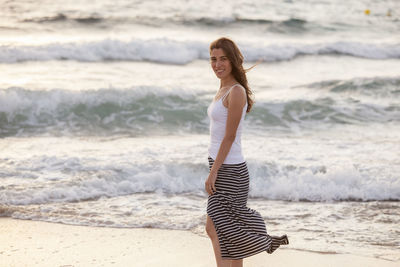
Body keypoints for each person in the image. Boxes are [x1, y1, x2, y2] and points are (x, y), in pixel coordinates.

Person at [205, 37, 289, 267]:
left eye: (222, 59)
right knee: (227, 232)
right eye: (213, 59)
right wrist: (213, 168)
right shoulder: (223, 88)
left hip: (230, 171)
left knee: (217, 229)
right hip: (221, 166)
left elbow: (229, 137)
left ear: (233, 60)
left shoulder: (236, 91)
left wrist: (214, 173)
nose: (217, 64)